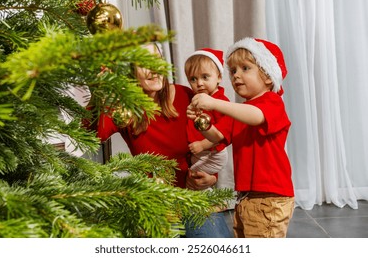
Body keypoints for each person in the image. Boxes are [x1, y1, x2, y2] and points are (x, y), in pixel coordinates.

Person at [86, 43, 227, 236]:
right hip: (155, 205)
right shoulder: (124, 109)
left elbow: (215, 139)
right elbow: (87, 135)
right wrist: (97, 95)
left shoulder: (188, 96)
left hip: (194, 198)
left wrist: (210, 177)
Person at [187, 37, 295, 238]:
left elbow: (256, 117)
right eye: (233, 71)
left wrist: (215, 104)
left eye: (245, 68)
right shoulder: (240, 111)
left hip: (269, 197)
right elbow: (217, 136)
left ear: (268, 76)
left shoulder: (272, 102)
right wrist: (201, 123)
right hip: (245, 197)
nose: (236, 75)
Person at [183, 48, 234, 238]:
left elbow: (222, 133)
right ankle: (209, 198)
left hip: (214, 153)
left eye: (205, 77)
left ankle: (211, 200)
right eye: (193, 80)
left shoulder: (220, 101)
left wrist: (202, 145)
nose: (199, 83)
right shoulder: (194, 99)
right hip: (203, 153)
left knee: (193, 175)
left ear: (219, 77)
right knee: (197, 175)